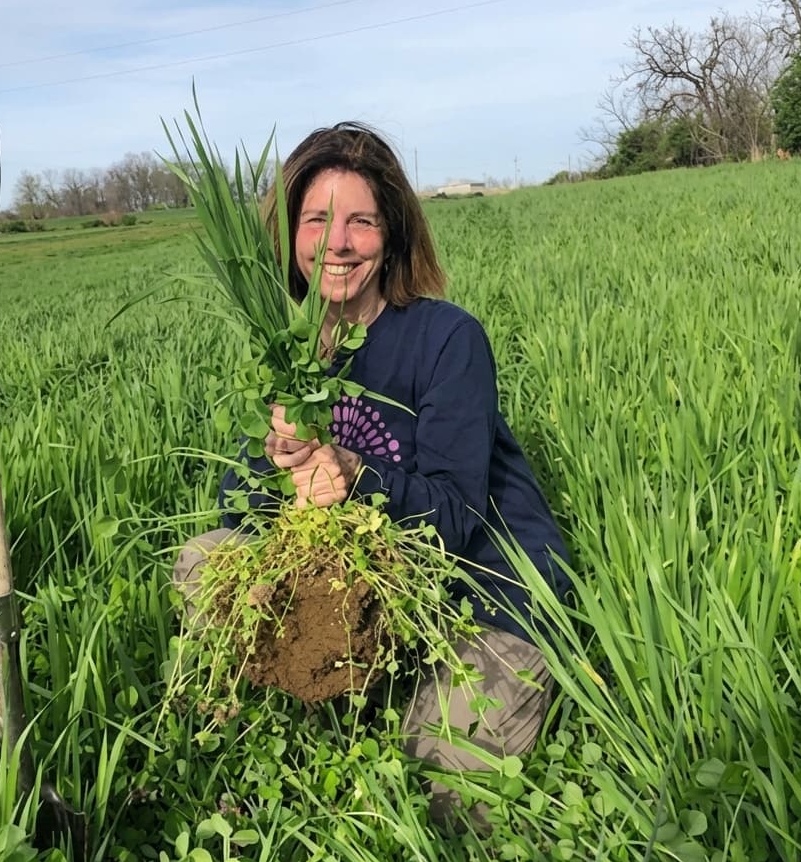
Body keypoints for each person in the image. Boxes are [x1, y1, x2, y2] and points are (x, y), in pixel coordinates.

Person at [174, 122, 571, 821]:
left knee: (441, 789)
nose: (338, 243)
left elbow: (458, 518)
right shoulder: (287, 352)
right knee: (208, 561)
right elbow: (238, 511)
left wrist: (356, 472)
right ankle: (285, 717)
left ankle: (392, 698)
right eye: (317, 219)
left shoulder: (446, 338)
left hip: (484, 590)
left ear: (391, 235)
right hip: (377, 591)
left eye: (362, 221)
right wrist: (276, 460)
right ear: (290, 234)